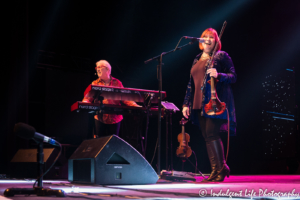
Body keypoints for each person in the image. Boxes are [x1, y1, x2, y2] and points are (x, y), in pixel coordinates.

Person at [182, 28, 237, 182]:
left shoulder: (221, 56)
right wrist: (186, 104)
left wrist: (219, 75)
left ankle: (220, 169)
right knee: (207, 136)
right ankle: (217, 169)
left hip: (213, 102)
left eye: (211, 37)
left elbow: (233, 76)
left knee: (212, 134)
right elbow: (190, 84)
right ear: (200, 41)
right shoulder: (197, 58)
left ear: (216, 41)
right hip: (198, 103)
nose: (207, 39)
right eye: (204, 37)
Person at [82, 60, 140, 137]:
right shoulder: (95, 83)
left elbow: (125, 98)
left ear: (107, 70)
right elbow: (87, 98)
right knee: (99, 143)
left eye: (100, 67)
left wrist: (135, 106)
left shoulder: (117, 83)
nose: (97, 69)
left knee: (113, 143)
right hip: (100, 118)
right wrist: (84, 104)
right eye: (97, 67)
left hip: (115, 119)